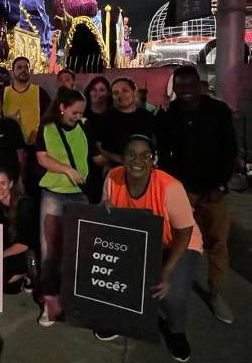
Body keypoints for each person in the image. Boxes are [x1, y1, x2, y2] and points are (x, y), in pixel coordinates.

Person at [100, 135, 203, 362]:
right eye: (131, 154)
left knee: (171, 292)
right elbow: (106, 209)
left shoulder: (170, 187)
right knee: (115, 273)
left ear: (154, 160)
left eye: (145, 155)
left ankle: (176, 330)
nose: (138, 160)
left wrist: (166, 271)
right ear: (122, 158)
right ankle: (118, 316)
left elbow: (184, 232)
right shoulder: (112, 178)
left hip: (178, 242)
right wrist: (103, 209)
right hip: (141, 238)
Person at [155, 65, 238, 324]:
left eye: (190, 85)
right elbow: (164, 154)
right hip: (182, 191)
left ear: (199, 85)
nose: (186, 91)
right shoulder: (168, 116)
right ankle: (169, 286)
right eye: (180, 86)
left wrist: (220, 185)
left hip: (213, 190)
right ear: (174, 88)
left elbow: (230, 150)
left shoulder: (218, 111)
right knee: (176, 239)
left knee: (217, 241)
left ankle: (216, 292)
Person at [35, 88, 89, 326]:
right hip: (54, 195)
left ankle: (71, 299)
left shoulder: (86, 126)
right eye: (74, 112)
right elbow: (42, 158)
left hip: (80, 196)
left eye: (80, 113)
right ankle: (50, 303)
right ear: (62, 107)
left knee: (76, 251)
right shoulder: (47, 129)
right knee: (50, 252)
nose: (77, 116)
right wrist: (67, 170)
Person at [0, 167, 37, 294]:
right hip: (12, 248)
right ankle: (19, 277)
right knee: (7, 287)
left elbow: (25, 244)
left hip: (30, 252)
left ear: (11, 184)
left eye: (3, 183)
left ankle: (28, 273)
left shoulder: (24, 205)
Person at [96, 78, 155, 170]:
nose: (121, 95)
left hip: (142, 169)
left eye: (125, 91)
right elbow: (98, 146)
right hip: (114, 169)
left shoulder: (147, 117)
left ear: (134, 92)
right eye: (116, 93)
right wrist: (118, 159)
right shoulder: (105, 118)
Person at [3, 56, 51, 146]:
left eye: (26, 67)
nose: (23, 70)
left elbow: (50, 116)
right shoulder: (3, 93)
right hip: (8, 144)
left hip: (34, 144)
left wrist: (40, 133)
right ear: (12, 72)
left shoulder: (40, 92)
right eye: (19, 67)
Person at [83, 76, 113, 204]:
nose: (97, 93)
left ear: (108, 93)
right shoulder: (82, 116)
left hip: (110, 169)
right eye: (94, 90)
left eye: (102, 90)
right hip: (87, 170)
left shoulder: (113, 116)